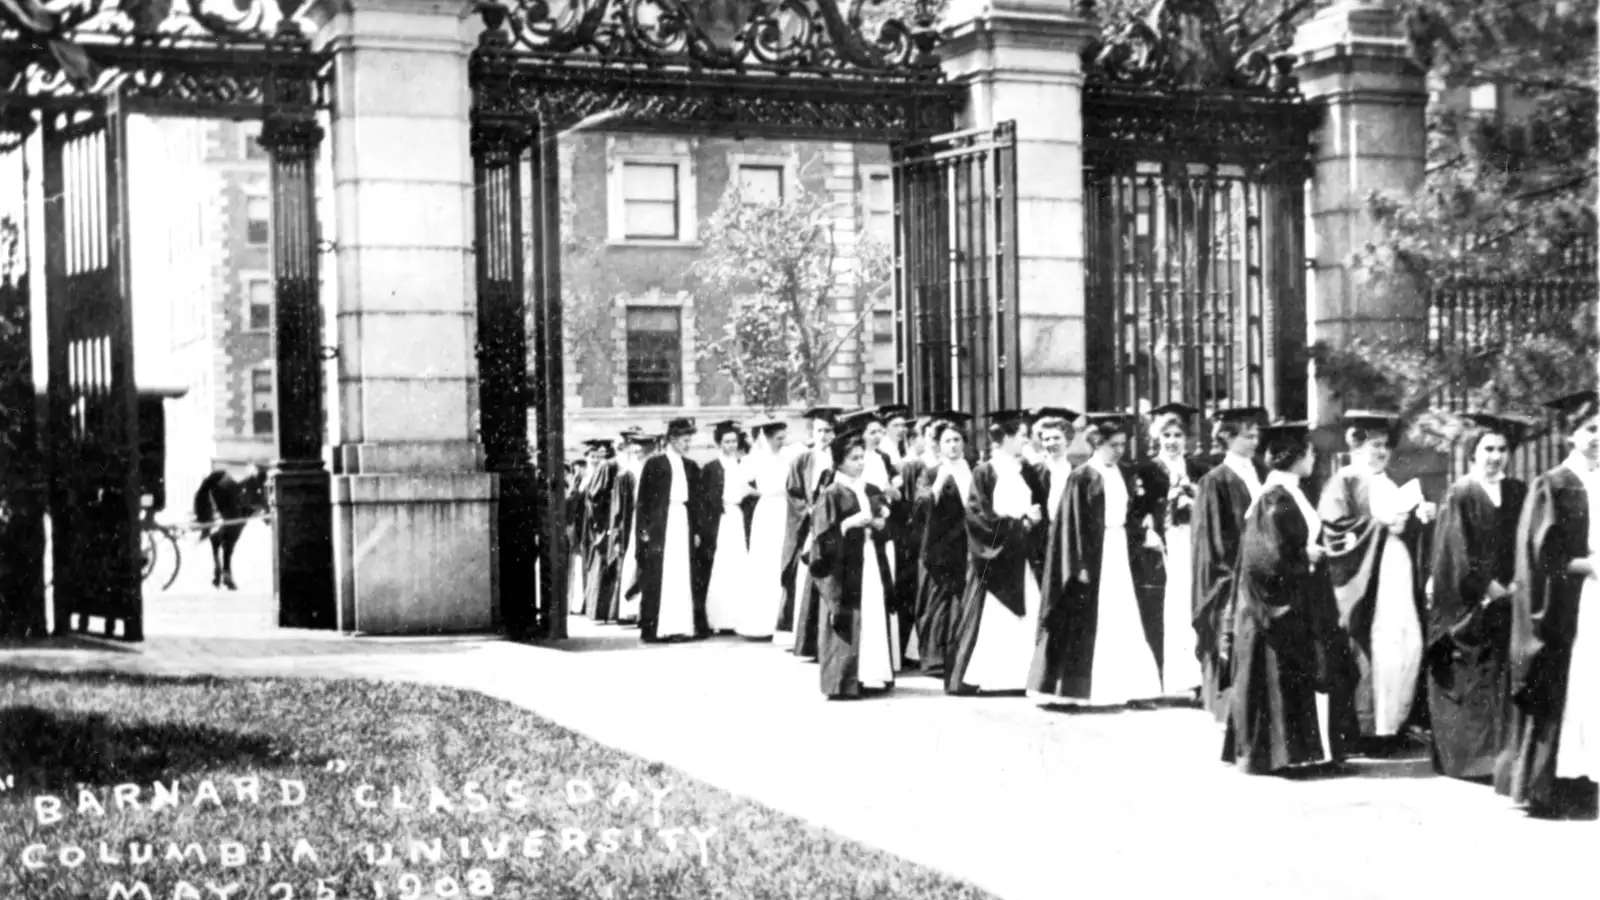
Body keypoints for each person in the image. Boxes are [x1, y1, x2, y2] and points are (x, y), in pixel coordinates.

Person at [1497, 389, 1600, 818]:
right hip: (1570, 603)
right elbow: (1541, 557)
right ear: (1569, 435)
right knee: (1573, 685)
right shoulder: (1554, 483)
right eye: (1590, 430)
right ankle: (1559, 780)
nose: (1598, 437)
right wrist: (1588, 565)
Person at [1319, 410, 1438, 756]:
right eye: (1374, 445)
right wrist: (1379, 525)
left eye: (1385, 445)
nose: (1382, 452)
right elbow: (1335, 532)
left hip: (1397, 571)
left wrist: (1420, 518)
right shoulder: (1343, 481)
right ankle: (1373, 729)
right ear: (1355, 445)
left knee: (1409, 644)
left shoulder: (1388, 481)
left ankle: (1398, 723)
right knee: (1380, 648)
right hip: (1367, 580)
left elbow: (1404, 528)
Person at [1222, 421, 1334, 775]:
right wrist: (1306, 558)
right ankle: (1274, 757)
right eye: (1310, 452)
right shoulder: (1274, 497)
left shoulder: (1291, 492)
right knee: (1274, 678)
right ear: (1297, 457)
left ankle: (1293, 755)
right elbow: (1264, 557)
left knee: (1289, 679)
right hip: (1276, 605)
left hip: (1294, 597)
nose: (1314, 458)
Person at [1030, 413, 1164, 706]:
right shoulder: (1081, 477)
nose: (1120, 450)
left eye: (1123, 445)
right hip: (1092, 556)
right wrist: (1078, 566)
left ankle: (1133, 688)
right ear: (1097, 444)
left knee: (1124, 615)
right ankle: (1075, 693)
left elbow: (1131, 515)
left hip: (1118, 552)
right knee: (1089, 620)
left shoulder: (1123, 473)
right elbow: (1071, 526)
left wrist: (1144, 532)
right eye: (1113, 445)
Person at [1426, 413, 1530, 781]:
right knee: (1472, 676)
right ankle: (1469, 762)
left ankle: (1501, 757)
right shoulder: (1461, 493)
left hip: (1512, 596)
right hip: (1473, 603)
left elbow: (1526, 542)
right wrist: (1488, 587)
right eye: (1488, 449)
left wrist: (1518, 582)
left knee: (1503, 675)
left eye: (1502, 450)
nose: (1495, 456)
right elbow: (1456, 551)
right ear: (1473, 453)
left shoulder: (1519, 491)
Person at [946, 409, 1048, 695]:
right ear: (1005, 438)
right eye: (1022, 436)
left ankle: (1024, 677)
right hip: (996, 557)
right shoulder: (985, 472)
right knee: (993, 618)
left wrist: (1035, 520)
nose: (1026, 441)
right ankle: (992, 678)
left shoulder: (1028, 471)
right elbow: (978, 517)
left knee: (1028, 614)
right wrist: (1020, 523)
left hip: (1023, 557)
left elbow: (1040, 509)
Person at [1190, 406, 1268, 723]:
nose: (1255, 441)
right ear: (1227, 437)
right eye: (1247, 435)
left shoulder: (1263, 472)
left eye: (1256, 434)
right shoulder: (1215, 481)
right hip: (1233, 576)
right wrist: (1230, 579)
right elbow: (1212, 541)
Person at [812, 421, 898, 698]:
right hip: (844, 566)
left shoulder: (871, 489)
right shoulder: (832, 494)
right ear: (839, 462)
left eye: (862, 458)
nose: (860, 463)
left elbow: (889, 528)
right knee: (849, 616)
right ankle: (844, 679)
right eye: (854, 459)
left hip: (870, 558)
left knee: (872, 613)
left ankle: (872, 675)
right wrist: (848, 524)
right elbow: (822, 539)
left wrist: (881, 525)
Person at [1139, 402, 1211, 697]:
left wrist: (1193, 503)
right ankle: (1166, 677)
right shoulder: (1147, 470)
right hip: (1162, 545)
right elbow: (1138, 510)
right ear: (1157, 438)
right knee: (1165, 606)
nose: (1172, 441)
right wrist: (1148, 531)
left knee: (1191, 603)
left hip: (1192, 543)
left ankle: (1195, 678)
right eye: (1166, 435)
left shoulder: (1198, 469)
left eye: (1177, 435)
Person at [914, 414, 973, 679]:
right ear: (938, 445)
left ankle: (959, 655)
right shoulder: (931, 472)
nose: (953, 446)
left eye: (957, 440)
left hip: (968, 543)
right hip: (939, 546)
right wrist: (936, 488)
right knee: (937, 603)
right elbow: (919, 504)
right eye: (947, 441)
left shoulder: (974, 469)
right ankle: (935, 660)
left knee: (963, 600)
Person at [779, 406, 841, 657]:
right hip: (810, 526)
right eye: (819, 431)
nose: (824, 436)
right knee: (808, 579)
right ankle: (806, 640)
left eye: (828, 431)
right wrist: (811, 511)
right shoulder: (803, 460)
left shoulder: (840, 459)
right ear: (812, 432)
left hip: (834, 526)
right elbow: (793, 493)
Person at [635, 418, 702, 643]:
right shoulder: (654, 464)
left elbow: (696, 503)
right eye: (684, 440)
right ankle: (658, 628)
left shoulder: (691, 466)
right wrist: (643, 529)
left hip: (683, 522)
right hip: (660, 525)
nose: (687, 444)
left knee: (682, 573)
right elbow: (643, 500)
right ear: (672, 440)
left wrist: (696, 531)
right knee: (660, 573)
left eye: (689, 440)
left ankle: (683, 627)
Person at [854, 410, 906, 670]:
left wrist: (891, 493)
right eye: (872, 432)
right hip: (866, 521)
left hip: (886, 522)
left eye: (879, 432)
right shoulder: (857, 459)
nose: (876, 436)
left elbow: (894, 492)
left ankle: (890, 656)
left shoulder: (884, 458)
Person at [736, 415, 791, 640]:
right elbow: (740, 483)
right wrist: (761, 493)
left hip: (785, 510)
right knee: (764, 561)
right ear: (766, 438)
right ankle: (761, 622)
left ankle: (782, 620)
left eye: (784, 437)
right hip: (767, 510)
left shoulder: (788, 457)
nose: (782, 442)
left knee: (782, 559)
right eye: (778, 438)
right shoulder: (754, 459)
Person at [701, 420, 750, 634]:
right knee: (722, 564)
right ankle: (719, 618)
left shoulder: (743, 465)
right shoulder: (712, 468)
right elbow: (705, 498)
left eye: (734, 441)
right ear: (719, 443)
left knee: (739, 563)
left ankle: (740, 617)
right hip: (721, 520)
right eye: (727, 441)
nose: (731, 445)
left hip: (738, 517)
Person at [581, 438, 624, 622]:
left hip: (612, 522)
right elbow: (595, 497)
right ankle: (601, 610)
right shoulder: (609, 466)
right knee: (603, 564)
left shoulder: (617, 465)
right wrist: (603, 525)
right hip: (607, 523)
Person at [615, 432, 652, 624]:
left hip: (647, 519)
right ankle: (629, 608)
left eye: (643, 450)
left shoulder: (651, 467)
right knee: (634, 561)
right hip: (635, 521)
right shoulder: (628, 473)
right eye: (636, 450)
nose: (639, 453)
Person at [1028, 407, 1078, 520]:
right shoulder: (1035, 471)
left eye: (1056, 438)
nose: (1051, 443)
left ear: (1068, 440)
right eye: (1046, 439)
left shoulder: (1077, 472)